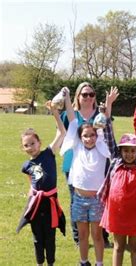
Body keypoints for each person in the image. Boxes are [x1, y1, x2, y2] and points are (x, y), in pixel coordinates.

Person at [98, 88, 136, 266]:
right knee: (118, 246)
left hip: (135, 212)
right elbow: (108, 132)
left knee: (134, 248)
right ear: (120, 150)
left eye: (132, 150)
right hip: (117, 213)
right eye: (126, 150)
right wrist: (109, 105)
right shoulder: (116, 159)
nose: (129, 154)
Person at [17, 98, 67, 266]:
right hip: (36, 205)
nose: (30, 146)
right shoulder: (26, 166)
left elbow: (62, 132)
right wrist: (31, 193)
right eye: (26, 145)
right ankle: (40, 263)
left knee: (50, 237)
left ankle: (51, 263)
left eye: (33, 142)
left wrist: (54, 112)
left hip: (50, 203)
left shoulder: (48, 153)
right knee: (37, 237)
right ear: (23, 148)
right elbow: (31, 181)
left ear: (39, 142)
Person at [60, 82, 101, 246]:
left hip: (97, 165)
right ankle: (79, 237)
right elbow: (64, 132)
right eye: (84, 94)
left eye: (91, 94)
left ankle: (101, 235)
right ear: (78, 96)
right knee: (75, 200)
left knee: (100, 200)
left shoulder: (99, 114)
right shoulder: (72, 115)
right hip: (74, 163)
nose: (88, 97)